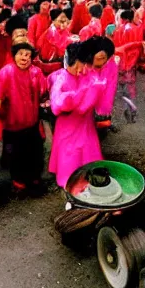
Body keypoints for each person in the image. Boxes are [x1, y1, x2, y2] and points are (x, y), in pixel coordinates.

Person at [0, 42, 48, 194]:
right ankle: (19, 182)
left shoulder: (36, 72)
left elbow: (44, 91)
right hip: (13, 124)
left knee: (35, 153)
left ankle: (35, 179)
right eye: (21, 53)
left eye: (28, 55)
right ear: (14, 55)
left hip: (32, 122)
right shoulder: (6, 72)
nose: (25, 57)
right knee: (17, 155)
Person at [48, 42, 106, 188]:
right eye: (77, 67)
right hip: (68, 127)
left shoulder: (87, 74)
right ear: (69, 63)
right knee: (70, 158)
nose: (80, 70)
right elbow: (56, 105)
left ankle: (88, 180)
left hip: (85, 124)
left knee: (87, 155)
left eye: (83, 65)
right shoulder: (61, 79)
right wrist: (75, 97)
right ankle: (71, 185)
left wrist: (93, 91)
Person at [36, 8, 74, 76]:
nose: (64, 24)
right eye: (61, 21)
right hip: (53, 70)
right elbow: (47, 59)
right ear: (53, 21)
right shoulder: (49, 35)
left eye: (65, 21)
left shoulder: (65, 31)